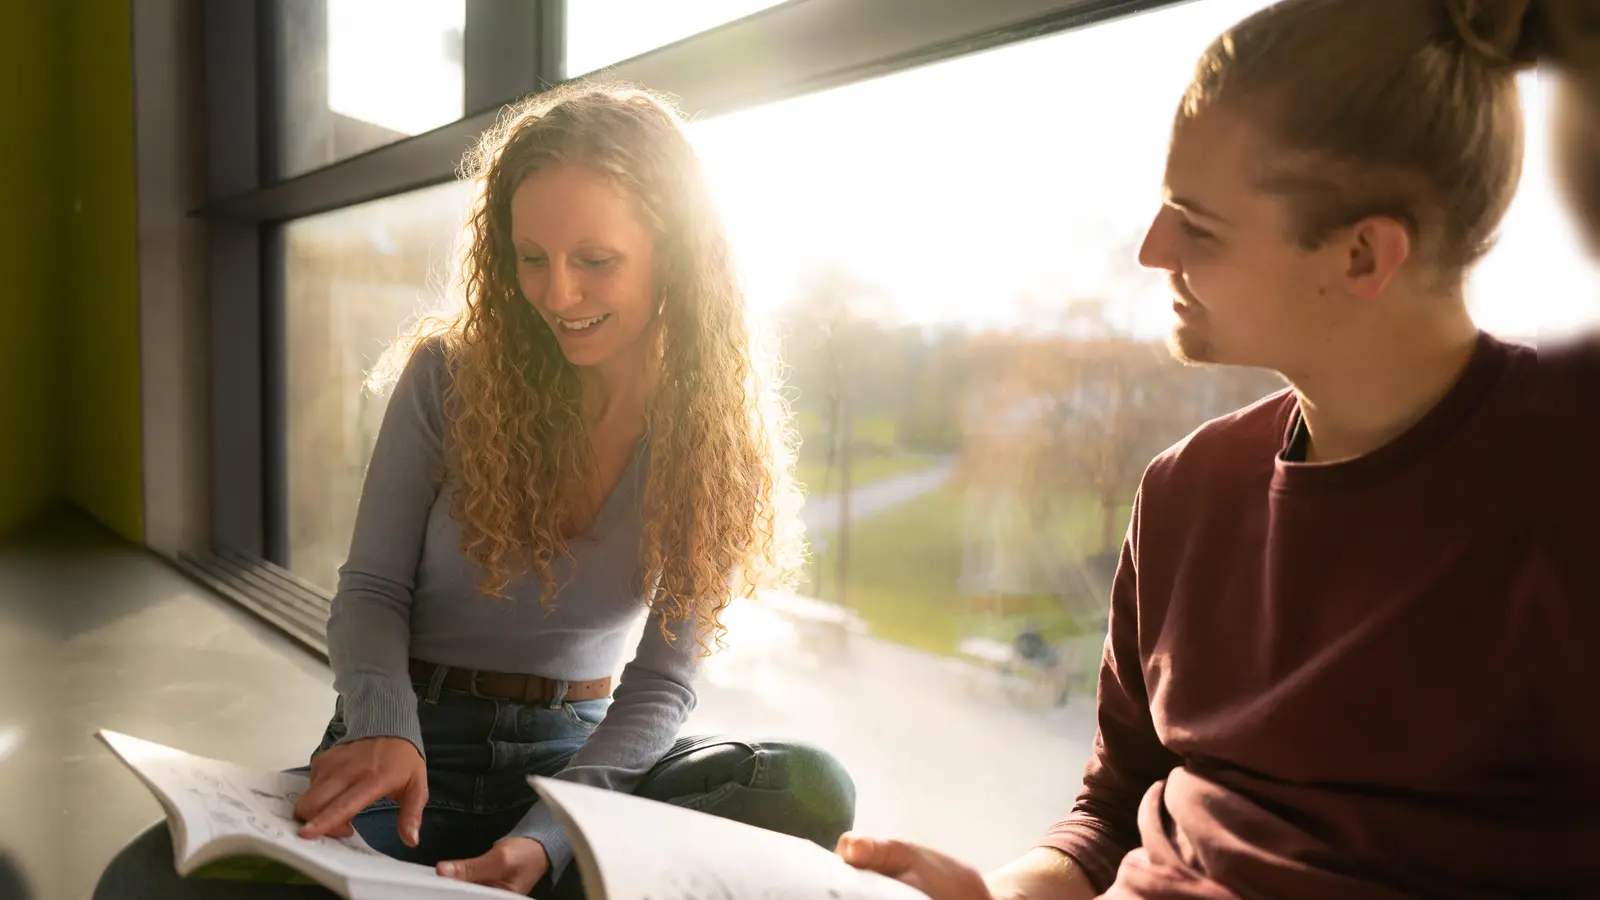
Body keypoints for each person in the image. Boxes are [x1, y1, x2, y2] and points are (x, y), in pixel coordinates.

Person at [840, 1, 1598, 898]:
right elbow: (1115, 804)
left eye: (1195, 225)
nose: (1151, 251)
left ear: (1363, 255)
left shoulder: (1567, 488)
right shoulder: (1185, 489)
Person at [94, 82, 854, 899]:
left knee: (807, 786)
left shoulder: (711, 434)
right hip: (413, 747)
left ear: (676, 252)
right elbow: (371, 591)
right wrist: (385, 728)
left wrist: (551, 835)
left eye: (595, 261)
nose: (558, 295)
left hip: (581, 762)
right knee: (145, 881)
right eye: (532, 259)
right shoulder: (448, 377)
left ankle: (530, 872)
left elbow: (664, 681)